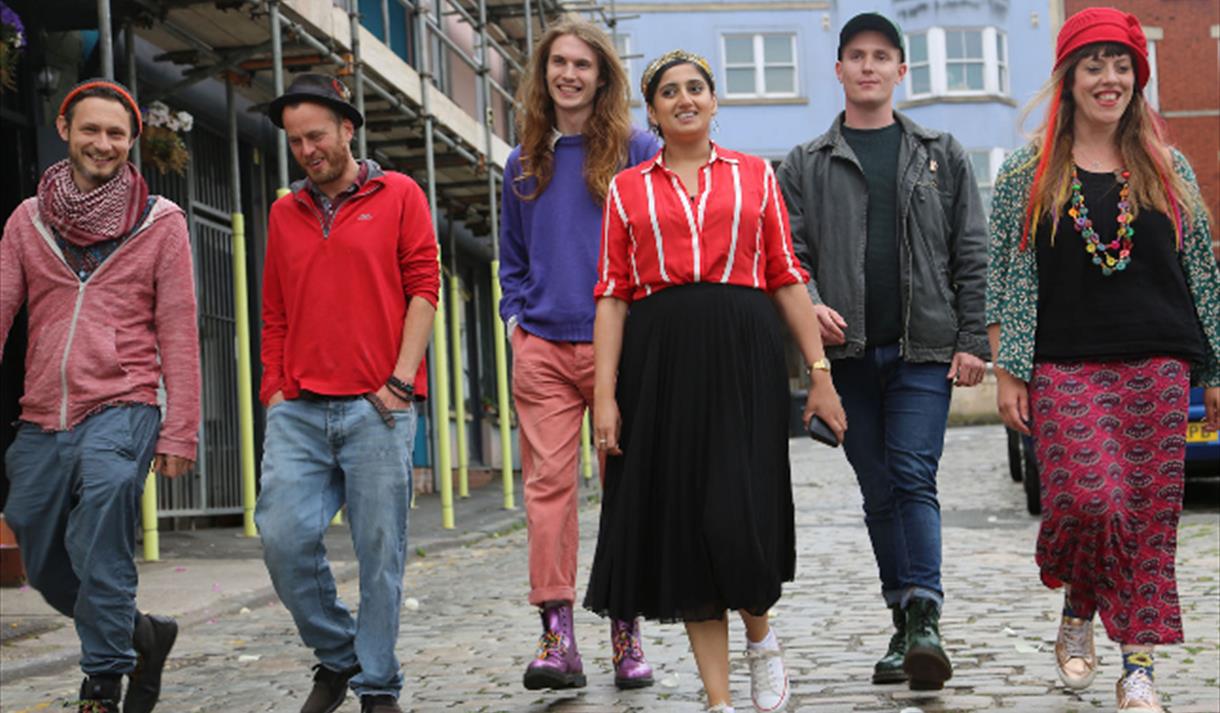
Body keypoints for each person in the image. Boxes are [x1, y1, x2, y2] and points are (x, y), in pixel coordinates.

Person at [583, 50, 847, 713]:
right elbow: (612, 295)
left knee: (737, 510)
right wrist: (605, 394)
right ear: (652, 111)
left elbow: (785, 275)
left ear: (713, 100)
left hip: (742, 356)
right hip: (660, 363)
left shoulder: (757, 176)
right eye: (668, 92)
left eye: (695, 88)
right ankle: (720, 699)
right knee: (685, 523)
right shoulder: (627, 189)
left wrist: (820, 374)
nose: (684, 99)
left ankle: (761, 635)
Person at [987, 8, 1220, 711]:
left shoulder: (1167, 167)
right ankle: (1080, 600)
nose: (1109, 78)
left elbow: (1203, 271)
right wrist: (1008, 368)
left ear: (1135, 79)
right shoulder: (1028, 172)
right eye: (1094, 65)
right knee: (1090, 503)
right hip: (1066, 367)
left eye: (1121, 66)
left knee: (1147, 518)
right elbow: (1006, 272)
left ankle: (1138, 666)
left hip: (1158, 362)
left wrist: (1214, 371)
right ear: (1068, 77)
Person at [777, 12, 989, 692]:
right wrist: (808, 301)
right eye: (856, 56)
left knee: (911, 475)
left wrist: (972, 339)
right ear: (838, 70)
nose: (868, 67)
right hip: (845, 360)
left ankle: (926, 614)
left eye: (881, 57)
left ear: (901, 71)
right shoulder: (805, 164)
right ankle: (903, 621)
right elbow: (787, 254)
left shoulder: (941, 152)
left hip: (923, 351)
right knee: (877, 492)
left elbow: (971, 252)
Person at [0, 79, 200, 713]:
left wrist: (180, 429)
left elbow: (179, 330)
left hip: (124, 403)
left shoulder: (160, 222)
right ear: (64, 128)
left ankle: (103, 680)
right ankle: (141, 635)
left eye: (116, 133)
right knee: (40, 550)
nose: (103, 143)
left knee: (101, 521)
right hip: (41, 415)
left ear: (133, 141)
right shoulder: (26, 221)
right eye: (91, 129)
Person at [257, 74, 438, 713]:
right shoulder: (285, 211)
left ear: (346, 129)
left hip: (377, 407)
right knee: (281, 537)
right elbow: (274, 308)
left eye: (317, 135)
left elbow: (424, 288)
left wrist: (398, 383)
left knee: (379, 553)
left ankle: (377, 687)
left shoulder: (400, 194)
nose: (307, 149)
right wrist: (274, 389)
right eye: (296, 140)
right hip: (299, 409)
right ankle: (340, 656)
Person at [498, 20, 660, 691]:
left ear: (601, 76)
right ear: (543, 74)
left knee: (623, 491)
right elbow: (513, 259)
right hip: (541, 350)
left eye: (582, 65)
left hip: (615, 349)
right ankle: (557, 635)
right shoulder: (521, 162)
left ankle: (626, 630)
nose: (568, 74)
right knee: (547, 495)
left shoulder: (634, 148)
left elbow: (657, 240)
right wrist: (515, 323)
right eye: (558, 63)